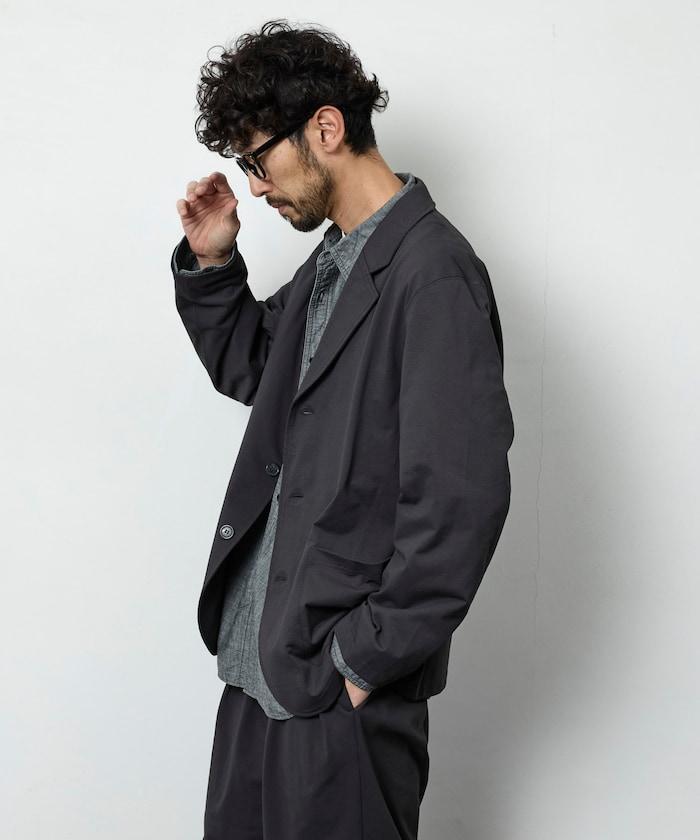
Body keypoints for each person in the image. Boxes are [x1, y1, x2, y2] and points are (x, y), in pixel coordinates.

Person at [170, 18, 514, 840]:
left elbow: (459, 503)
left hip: (335, 694)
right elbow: (257, 368)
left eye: (259, 160)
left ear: (325, 128)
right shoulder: (336, 259)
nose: (255, 188)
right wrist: (212, 263)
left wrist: (363, 661)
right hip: (260, 669)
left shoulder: (434, 275)